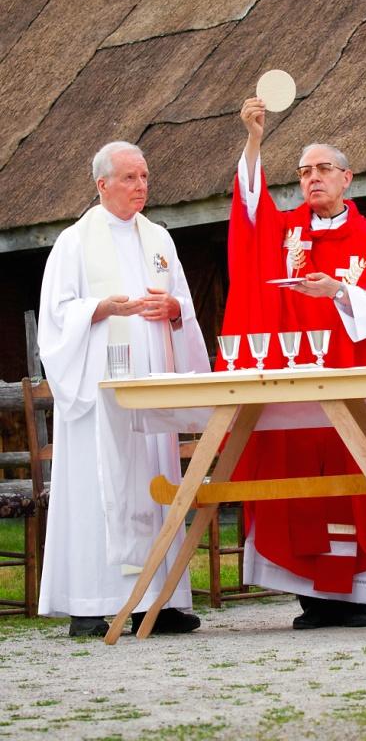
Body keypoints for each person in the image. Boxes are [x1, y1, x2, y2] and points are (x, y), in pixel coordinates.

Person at [218, 96, 366, 629]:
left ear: (347, 178)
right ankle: (311, 597)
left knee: (353, 477)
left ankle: (354, 599)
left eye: (324, 169)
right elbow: (249, 216)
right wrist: (255, 139)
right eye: (305, 171)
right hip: (298, 385)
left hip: (352, 384)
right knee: (300, 479)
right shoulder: (285, 235)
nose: (313, 178)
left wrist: (341, 292)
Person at [38, 141, 211, 637]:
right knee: (101, 490)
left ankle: (163, 601)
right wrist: (100, 309)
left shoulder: (159, 239)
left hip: (150, 390)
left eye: (144, 177)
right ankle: (96, 603)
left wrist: (175, 310)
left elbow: (183, 303)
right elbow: (56, 314)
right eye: (131, 178)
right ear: (102, 185)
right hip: (100, 393)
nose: (141, 186)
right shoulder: (74, 242)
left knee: (156, 485)